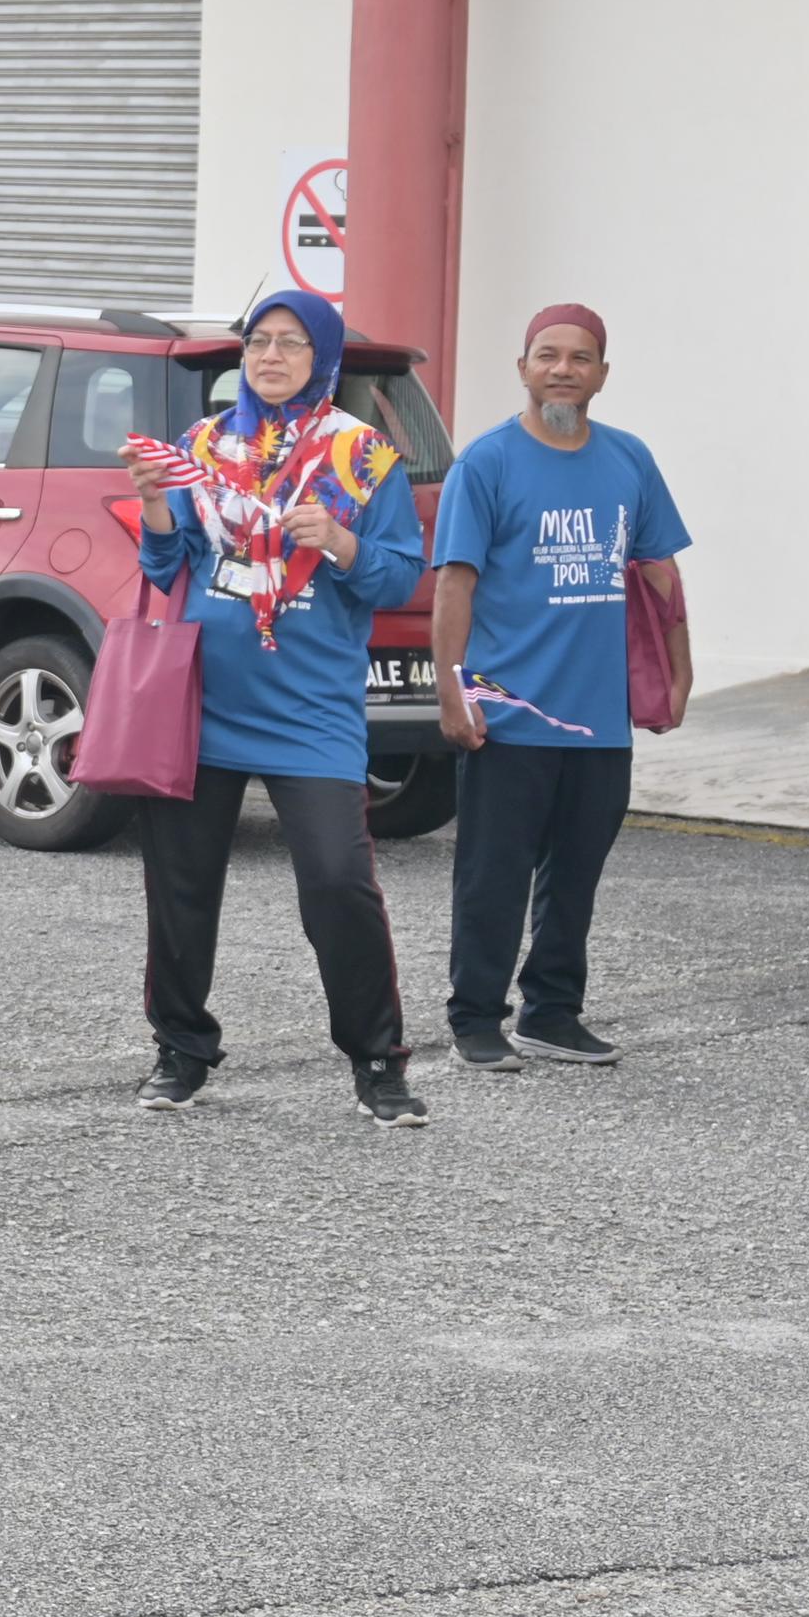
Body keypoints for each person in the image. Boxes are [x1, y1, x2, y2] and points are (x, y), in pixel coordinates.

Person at [116, 289, 430, 1126]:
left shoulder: (361, 455)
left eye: (292, 342)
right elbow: (166, 566)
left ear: (321, 358)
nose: (270, 356)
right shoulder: (203, 445)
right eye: (259, 340)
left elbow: (401, 577)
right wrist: (155, 502)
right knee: (180, 888)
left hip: (310, 710)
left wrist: (341, 541)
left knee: (336, 881)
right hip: (200, 702)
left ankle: (377, 1060)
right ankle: (180, 1048)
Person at [430, 301, 693, 1068]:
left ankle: (550, 1012)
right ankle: (475, 1017)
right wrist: (450, 689)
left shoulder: (629, 459)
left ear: (601, 375)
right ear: (522, 368)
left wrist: (679, 672)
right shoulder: (486, 463)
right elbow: (454, 583)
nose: (562, 369)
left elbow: (659, 572)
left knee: (575, 876)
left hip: (598, 715)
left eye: (579, 357)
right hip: (507, 714)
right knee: (493, 875)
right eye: (547, 355)